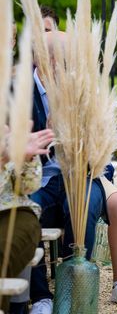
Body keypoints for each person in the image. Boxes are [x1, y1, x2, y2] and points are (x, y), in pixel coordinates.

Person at [29, 30, 117, 314]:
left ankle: (73, 284)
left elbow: (103, 150)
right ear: (45, 59)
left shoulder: (85, 91)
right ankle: (41, 296)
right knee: (26, 210)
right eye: (67, 59)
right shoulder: (18, 91)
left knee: (86, 203)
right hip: (37, 179)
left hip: (81, 175)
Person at [0, 128, 55, 314]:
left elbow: (29, 186)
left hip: (12, 211)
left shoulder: (7, 131)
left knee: (9, 242)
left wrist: (26, 159)